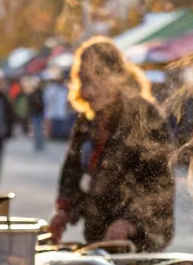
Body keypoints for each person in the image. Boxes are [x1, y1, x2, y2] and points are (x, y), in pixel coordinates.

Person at [49, 37, 174, 251]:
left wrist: (130, 221)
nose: (86, 92)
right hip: (98, 232)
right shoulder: (87, 120)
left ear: (114, 76)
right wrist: (64, 209)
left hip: (141, 239)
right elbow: (72, 170)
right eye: (82, 81)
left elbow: (159, 182)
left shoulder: (144, 116)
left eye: (92, 81)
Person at [26, 77, 46, 152]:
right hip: (35, 113)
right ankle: (38, 145)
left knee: (39, 129)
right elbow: (31, 103)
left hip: (39, 113)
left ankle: (40, 145)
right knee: (37, 130)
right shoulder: (33, 94)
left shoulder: (40, 93)